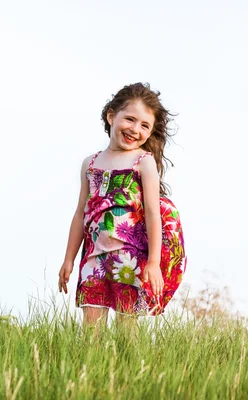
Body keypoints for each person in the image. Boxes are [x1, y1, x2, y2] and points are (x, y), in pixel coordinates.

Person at [57, 82, 186, 326]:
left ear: (149, 133)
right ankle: (92, 366)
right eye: (130, 119)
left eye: (145, 125)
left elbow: (152, 214)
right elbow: (80, 215)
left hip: (130, 259)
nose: (135, 129)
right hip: (93, 258)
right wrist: (69, 259)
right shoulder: (90, 163)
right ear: (111, 116)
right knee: (90, 333)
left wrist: (154, 263)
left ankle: (132, 367)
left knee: (127, 331)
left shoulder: (143, 161)